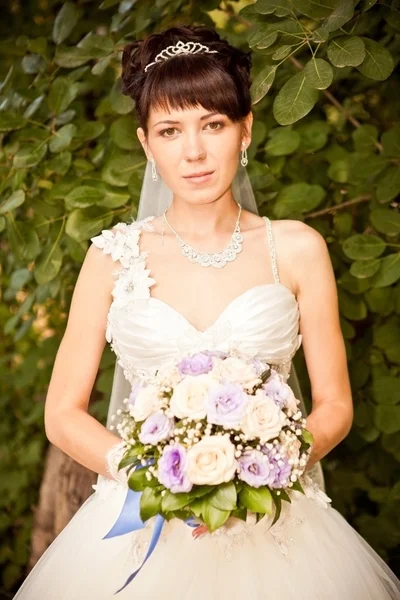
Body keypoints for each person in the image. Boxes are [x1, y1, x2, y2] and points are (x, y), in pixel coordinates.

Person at [14, 24, 400, 600]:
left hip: (277, 527)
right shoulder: (111, 257)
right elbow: (63, 415)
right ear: (146, 144)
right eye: (171, 130)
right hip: (143, 519)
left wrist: (261, 468)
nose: (193, 151)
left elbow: (336, 405)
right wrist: (158, 476)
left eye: (213, 124)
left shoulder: (296, 248)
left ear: (245, 130)